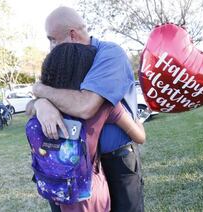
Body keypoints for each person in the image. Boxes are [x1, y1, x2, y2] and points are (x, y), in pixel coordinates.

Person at [27, 6, 144, 212]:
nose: (51, 47)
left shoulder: (110, 54)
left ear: (72, 34)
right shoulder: (65, 68)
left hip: (115, 161)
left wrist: (41, 91)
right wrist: (40, 103)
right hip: (74, 176)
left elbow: (86, 106)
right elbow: (139, 134)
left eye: (53, 39)